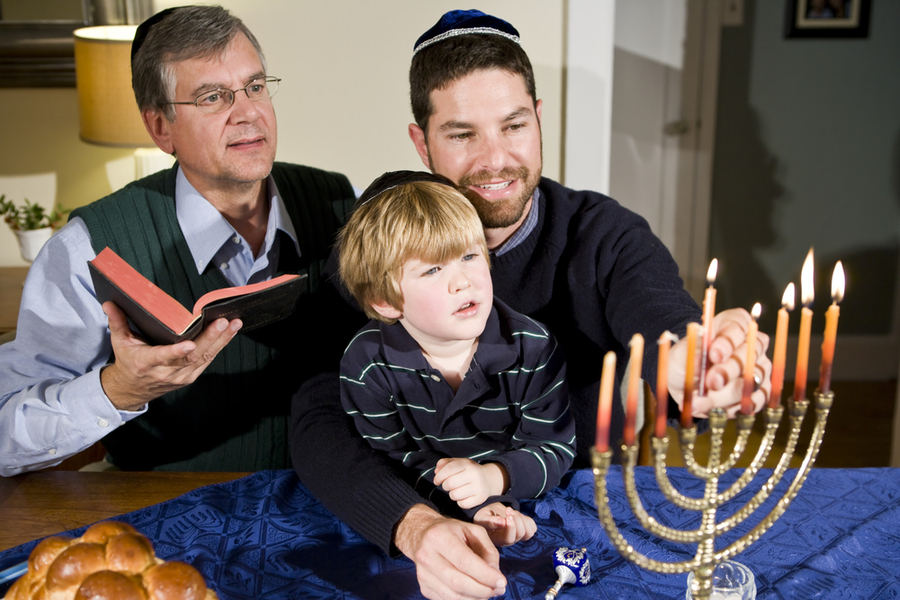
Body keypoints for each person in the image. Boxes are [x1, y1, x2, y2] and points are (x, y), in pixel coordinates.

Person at [290, 9, 773, 600]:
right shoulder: (374, 248)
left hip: (583, 516)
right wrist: (414, 526)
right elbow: (316, 414)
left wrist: (695, 357)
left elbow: (660, 315)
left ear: (539, 120)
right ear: (421, 141)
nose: (495, 160)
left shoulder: (605, 234)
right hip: (419, 518)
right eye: (463, 134)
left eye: (513, 126)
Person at [0, 5, 361, 476]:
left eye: (255, 86)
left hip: (335, 502)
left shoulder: (342, 203)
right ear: (160, 128)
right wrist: (118, 390)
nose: (248, 113)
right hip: (168, 514)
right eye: (213, 97)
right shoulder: (86, 248)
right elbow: (6, 433)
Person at [338, 170, 575, 544]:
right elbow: (389, 460)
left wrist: (492, 482)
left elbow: (554, 447)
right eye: (433, 269)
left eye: (469, 255)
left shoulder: (533, 346)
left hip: (520, 498)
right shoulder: (366, 366)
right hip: (429, 512)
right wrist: (469, 507)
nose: (463, 281)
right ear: (384, 301)